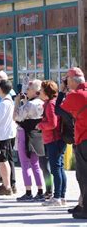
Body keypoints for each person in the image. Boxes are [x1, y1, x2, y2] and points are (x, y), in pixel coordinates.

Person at [60, 67, 87, 218]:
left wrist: (63, 91)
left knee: (83, 176)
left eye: (67, 80)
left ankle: (85, 208)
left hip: (84, 139)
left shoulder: (75, 95)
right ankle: (82, 203)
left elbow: (61, 109)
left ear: (72, 80)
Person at [13, 80, 45, 201]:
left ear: (35, 91)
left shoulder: (29, 104)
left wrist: (17, 102)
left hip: (24, 134)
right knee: (36, 164)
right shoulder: (42, 103)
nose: (27, 91)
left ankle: (28, 191)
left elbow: (16, 116)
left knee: (25, 164)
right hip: (37, 134)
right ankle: (41, 191)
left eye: (29, 89)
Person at [38, 80, 67, 207]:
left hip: (54, 140)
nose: (39, 91)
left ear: (47, 92)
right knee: (59, 168)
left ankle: (57, 197)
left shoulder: (50, 104)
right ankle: (61, 196)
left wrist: (40, 125)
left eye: (42, 89)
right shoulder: (53, 103)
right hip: (57, 140)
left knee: (56, 169)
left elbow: (52, 124)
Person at [0, 79, 17, 195]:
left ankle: (7, 186)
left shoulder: (4, 103)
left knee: (2, 161)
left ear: (0, 89)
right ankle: (7, 184)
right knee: (4, 160)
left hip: (2, 135)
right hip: (7, 134)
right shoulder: (9, 101)